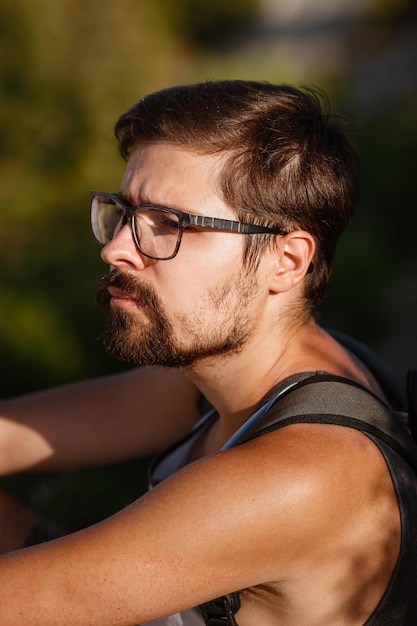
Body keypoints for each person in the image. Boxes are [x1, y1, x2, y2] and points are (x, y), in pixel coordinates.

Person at [0, 79, 415, 625]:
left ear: (286, 261)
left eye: (169, 223)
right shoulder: (226, 379)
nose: (116, 247)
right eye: (123, 212)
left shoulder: (304, 473)